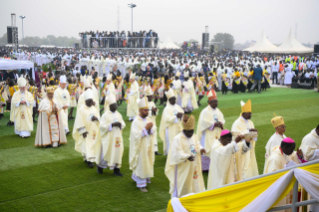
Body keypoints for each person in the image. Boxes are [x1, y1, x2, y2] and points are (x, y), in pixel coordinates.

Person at [165, 114, 206, 198]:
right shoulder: (178, 138)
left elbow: (197, 145)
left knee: (195, 183)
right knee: (184, 185)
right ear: (184, 130)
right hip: (183, 167)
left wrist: (201, 149)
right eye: (189, 132)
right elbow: (176, 153)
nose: (191, 134)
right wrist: (187, 156)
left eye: (192, 131)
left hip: (194, 165)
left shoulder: (194, 136)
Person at [263, 138, 307, 212]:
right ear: (285, 147)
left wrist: (300, 156)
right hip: (278, 193)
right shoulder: (275, 158)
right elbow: (272, 177)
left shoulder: (286, 153)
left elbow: (294, 155)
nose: (293, 152)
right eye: (291, 149)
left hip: (286, 189)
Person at [129, 97, 156, 192]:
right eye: (145, 110)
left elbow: (153, 129)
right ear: (140, 111)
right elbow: (135, 135)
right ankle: (141, 184)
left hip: (148, 145)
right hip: (140, 147)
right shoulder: (136, 122)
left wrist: (151, 129)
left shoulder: (148, 119)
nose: (147, 112)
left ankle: (141, 178)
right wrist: (145, 129)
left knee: (147, 161)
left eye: (147, 110)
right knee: (141, 163)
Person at [96, 94, 126, 176]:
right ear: (110, 106)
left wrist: (120, 125)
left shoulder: (118, 114)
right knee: (106, 152)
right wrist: (112, 125)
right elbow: (101, 126)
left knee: (118, 152)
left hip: (117, 137)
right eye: (114, 105)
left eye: (116, 105)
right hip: (108, 138)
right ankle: (100, 167)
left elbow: (123, 123)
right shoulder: (105, 115)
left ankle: (116, 170)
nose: (116, 106)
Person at [196, 89, 225, 171]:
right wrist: (214, 124)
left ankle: (215, 166)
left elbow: (222, 119)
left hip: (216, 133)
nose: (216, 103)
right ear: (210, 102)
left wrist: (220, 123)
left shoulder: (218, 111)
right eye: (214, 101)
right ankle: (206, 168)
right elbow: (202, 122)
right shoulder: (205, 111)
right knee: (208, 149)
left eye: (217, 101)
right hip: (208, 134)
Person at [231, 99, 259, 180]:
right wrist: (248, 132)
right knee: (243, 170)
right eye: (248, 113)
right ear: (243, 113)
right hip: (242, 151)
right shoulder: (236, 123)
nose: (250, 115)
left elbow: (254, 138)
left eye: (251, 113)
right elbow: (235, 137)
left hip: (250, 150)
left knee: (251, 167)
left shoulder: (250, 122)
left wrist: (255, 133)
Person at [73, 89, 100, 168]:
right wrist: (83, 131)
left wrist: (97, 119)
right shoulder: (81, 109)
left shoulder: (94, 109)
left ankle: (88, 158)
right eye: (89, 101)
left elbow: (98, 118)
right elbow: (79, 121)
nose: (91, 103)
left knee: (93, 144)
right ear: (86, 101)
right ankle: (89, 161)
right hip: (86, 131)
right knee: (87, 145)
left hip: (94, 130)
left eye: (92, 101)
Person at [159, 88, 184, 155]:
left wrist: (181, 116)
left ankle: (177, 153)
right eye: (172, 99)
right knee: (171, 141)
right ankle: (170, 154)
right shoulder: (166, 108)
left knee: (178, 141)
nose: (174, 100)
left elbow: (182, 114)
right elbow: (167, 119)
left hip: (178, 127)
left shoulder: (178, 107)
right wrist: (176, 117)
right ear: (169, 100)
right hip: (170, 128)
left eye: (174, 98)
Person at [144, 85, 161, 155]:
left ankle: (155, 150)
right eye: (150, 96)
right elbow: (144, 113)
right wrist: (151, 111)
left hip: (153, 121)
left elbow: (155, 112)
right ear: (147, 96)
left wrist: (155, 111)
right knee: (148, 136)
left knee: (154, 134)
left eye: (151, 96)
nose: (152, 97)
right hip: (147, 122)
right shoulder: (144, 103)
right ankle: (149, 149)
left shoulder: (152, 103)